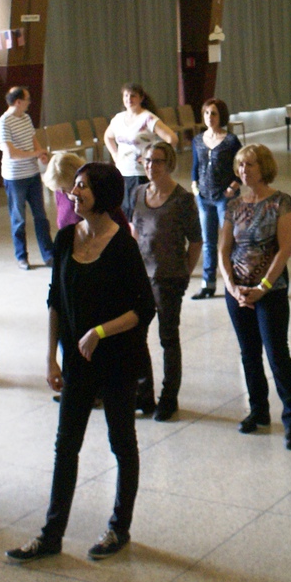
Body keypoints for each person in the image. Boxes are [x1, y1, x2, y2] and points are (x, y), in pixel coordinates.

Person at [6, 162, 154, 563]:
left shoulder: (122, 245)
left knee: (121, 442)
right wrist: (50, 358)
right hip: (76, 361)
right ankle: (51, 535)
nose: (74, 192)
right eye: (74, 185)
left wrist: (100, 331)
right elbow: (55, 299)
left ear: (102, 195)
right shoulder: (66, 237)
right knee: (65, 446)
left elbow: (144, 308)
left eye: (83, 186)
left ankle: (119, 527)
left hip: (117, 360)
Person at [220, 144, 291, 449]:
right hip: (238, 291)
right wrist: (232, 286)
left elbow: (284, 250)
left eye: (251, 165)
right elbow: (223, 249)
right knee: (249, 353)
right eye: (241, 165)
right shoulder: (234, 205)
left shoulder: (281, 202)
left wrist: (262, 287)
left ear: (264, 168)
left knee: (277, 354)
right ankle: (258, 411)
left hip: (270, 291)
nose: (244, 170)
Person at [130, 142, 201, 421]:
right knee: (136, 334)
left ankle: (169, 397)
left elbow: (196, 241)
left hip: (168, 277)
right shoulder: (138, 193)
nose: (151, 166)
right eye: (147, 160)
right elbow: (134, 230)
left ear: (169, 163)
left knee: (168, 338)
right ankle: (143, 394)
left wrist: (185, 272)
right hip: (141, 276)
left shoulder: (182, 200)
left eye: (157, 161)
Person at [189, 97, 242, 300]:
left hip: (225, 197)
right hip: (204, 197)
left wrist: (233, 187)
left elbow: (241, 166)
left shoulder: (231, 141)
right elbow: (195, 166)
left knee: (229, 240)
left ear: (221, 116)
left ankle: (235, 281)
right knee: (208, 242)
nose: (209, 117)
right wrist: (195, 186)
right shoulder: (198, 140)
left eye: (213, 113)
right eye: (206, 113)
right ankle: (208, 284)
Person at [0, 86, 52, 270]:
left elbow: (33, 141)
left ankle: (49, 254)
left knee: (41, 216)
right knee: (18, 218)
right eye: (27, 100)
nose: (29, 103)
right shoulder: (3, 122)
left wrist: (40, 153)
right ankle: (21, 256)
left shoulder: (26, 118)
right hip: (15, 177)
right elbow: (11, 153)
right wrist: (35, 153)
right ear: (18, 102)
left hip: (32, 174)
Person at [103, 83, 178, 216]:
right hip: (122, 172)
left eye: (133, 96)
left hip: (140, 173)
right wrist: (115, 154)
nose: (129, 99)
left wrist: (153, 158)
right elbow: (108, 137)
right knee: (125, 211)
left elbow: (171, 138)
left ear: (141, 98)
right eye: (126, 95)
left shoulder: (147, 118)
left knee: (139, 211)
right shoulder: (118, 118)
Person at [45, 151, 129, 230]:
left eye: (65, 188)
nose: (62, 192)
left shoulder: (97, 194)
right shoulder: (60, 192)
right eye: (59, 188)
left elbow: (120, 225)